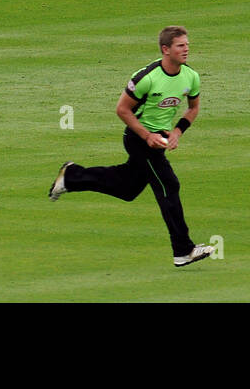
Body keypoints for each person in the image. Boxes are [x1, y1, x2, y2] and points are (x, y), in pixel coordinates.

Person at [48, 26, 215, 269]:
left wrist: (177, 131)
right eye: (180, 45)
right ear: (165, 49)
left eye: (187, 44)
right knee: (168, 185)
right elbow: (122, 110)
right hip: (138, 139)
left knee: (128, 188)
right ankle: (183, 250)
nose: (186, 49)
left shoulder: (191, 76)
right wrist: (147, 135)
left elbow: (193, 108)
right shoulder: (146, 78)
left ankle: (72, 176)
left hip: (159, 141)